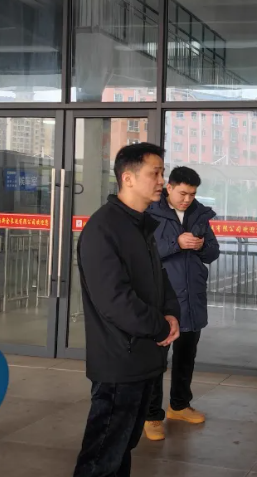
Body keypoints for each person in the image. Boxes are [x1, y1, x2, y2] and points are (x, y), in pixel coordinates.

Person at [73, 143, 181, 477]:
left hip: (143, 357)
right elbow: (114, 300)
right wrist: (160, 327)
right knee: (102, 456)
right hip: (119, 361)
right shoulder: (104, 228)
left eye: (162, 173)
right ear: (128, 178)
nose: (161, 181)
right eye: (154, 173)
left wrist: (171, 314)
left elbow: (159, 279)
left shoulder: (139, 226)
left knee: (121, 450)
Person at [143, 166, 220, 440]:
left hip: (192, 297)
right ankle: (152, 416)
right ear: (169, 188)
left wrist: (201, 246)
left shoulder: (200, 214)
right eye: (183, 193)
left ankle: (179, 405)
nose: (187, 199)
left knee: (186, 356)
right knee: (156, 360)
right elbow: (144, 252)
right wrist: (176, 242)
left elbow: (213, 252)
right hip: (163, 299)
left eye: (192, 194)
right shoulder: (150, 212)